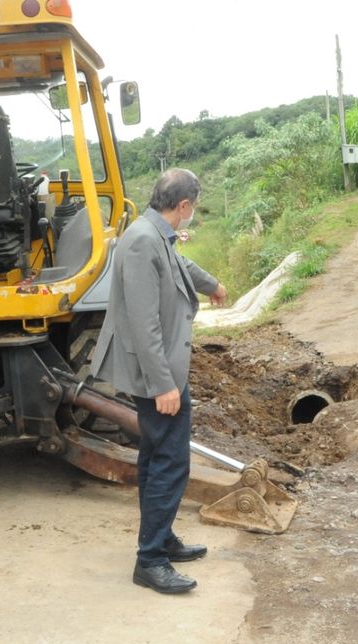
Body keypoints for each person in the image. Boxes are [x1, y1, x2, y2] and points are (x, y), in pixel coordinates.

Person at [91, 168, 227, 594]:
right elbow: (143, 323)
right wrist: (163, 385)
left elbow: (180, 264)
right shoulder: (142, 242)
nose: (192, 215)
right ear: (183, 206)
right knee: (170, 461)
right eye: (194, 208)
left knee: (155, 457)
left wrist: (212, 285)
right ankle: (149, 560)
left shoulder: (154, 233)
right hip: (158, 373)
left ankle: (161, 537)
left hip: (163, 368)